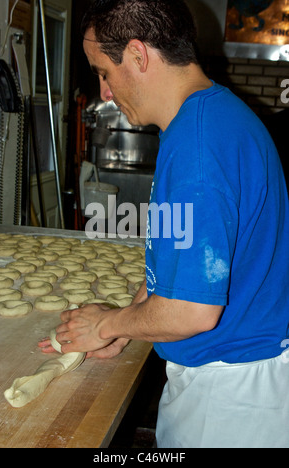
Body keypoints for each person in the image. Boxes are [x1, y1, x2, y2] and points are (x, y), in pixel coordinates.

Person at [39, 0, 289, 448]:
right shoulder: (214, 116)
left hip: (229, 399)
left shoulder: (197, 147)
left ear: (138, 55)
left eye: (103, 71)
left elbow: (191, 312)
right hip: (237, 378)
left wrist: (108, 325)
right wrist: (125, 327)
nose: (105, 92)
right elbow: (174, 262)